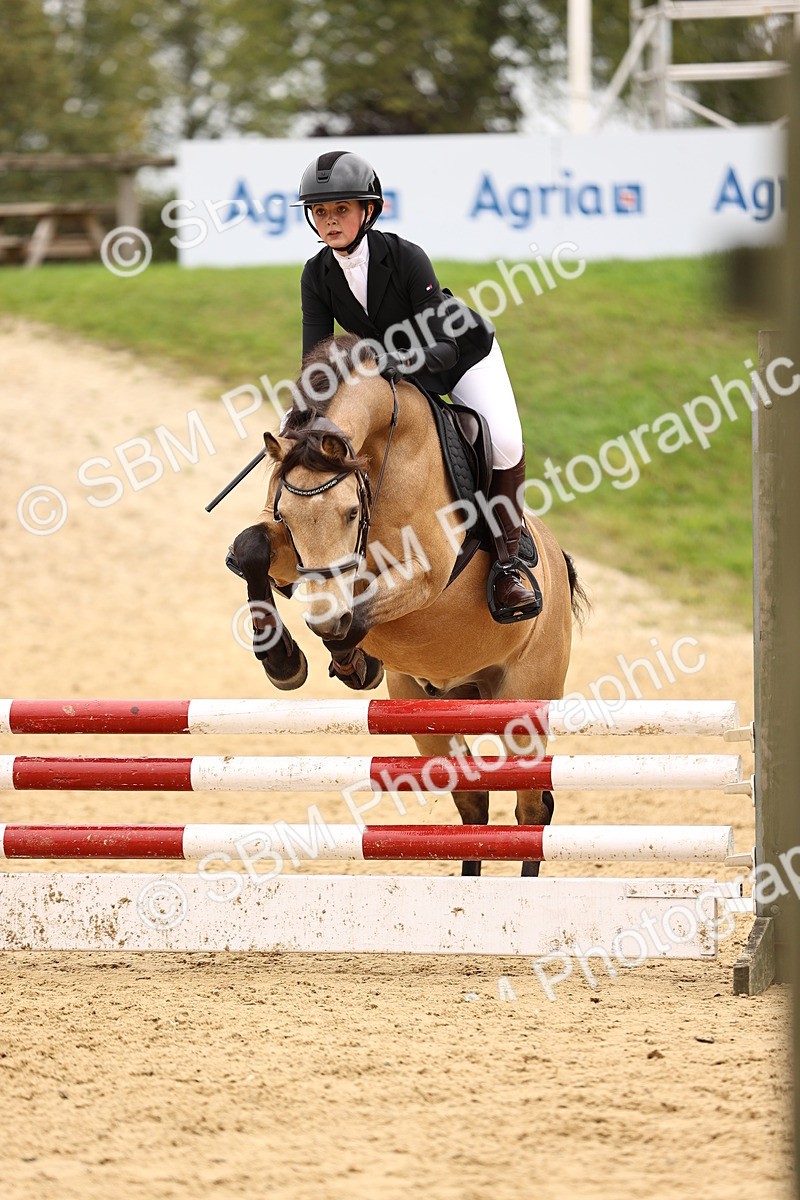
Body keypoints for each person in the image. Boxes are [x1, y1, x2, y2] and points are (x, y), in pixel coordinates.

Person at [293, 149, 541, 623]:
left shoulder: (405, 257)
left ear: (369, 210)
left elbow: (444, 346)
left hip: (461, 357)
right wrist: (300, 412)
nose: (329, 221)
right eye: (320, 212)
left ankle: (508, 566)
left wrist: (393, 358)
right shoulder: (317, 275)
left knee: (505, 442)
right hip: (397, 372)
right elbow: (317, 358)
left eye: (341, 209)